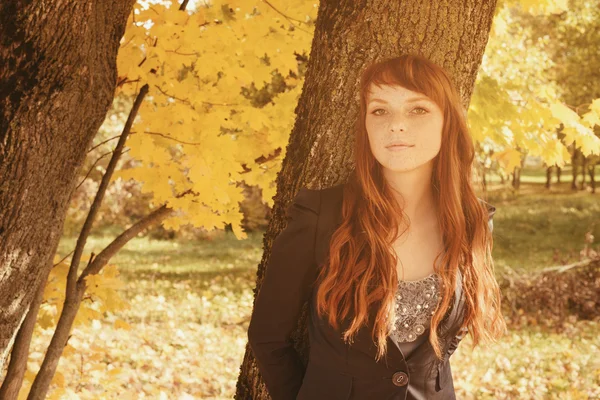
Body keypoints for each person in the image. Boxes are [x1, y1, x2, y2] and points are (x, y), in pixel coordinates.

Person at [247, 54, 507, 400]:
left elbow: (445, 343)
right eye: (380, 110)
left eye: (418, 109)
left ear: (448, 123)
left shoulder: (471, 220)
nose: (396, 124)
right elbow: (268, 337)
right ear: (365, 125)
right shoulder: (322, 216)